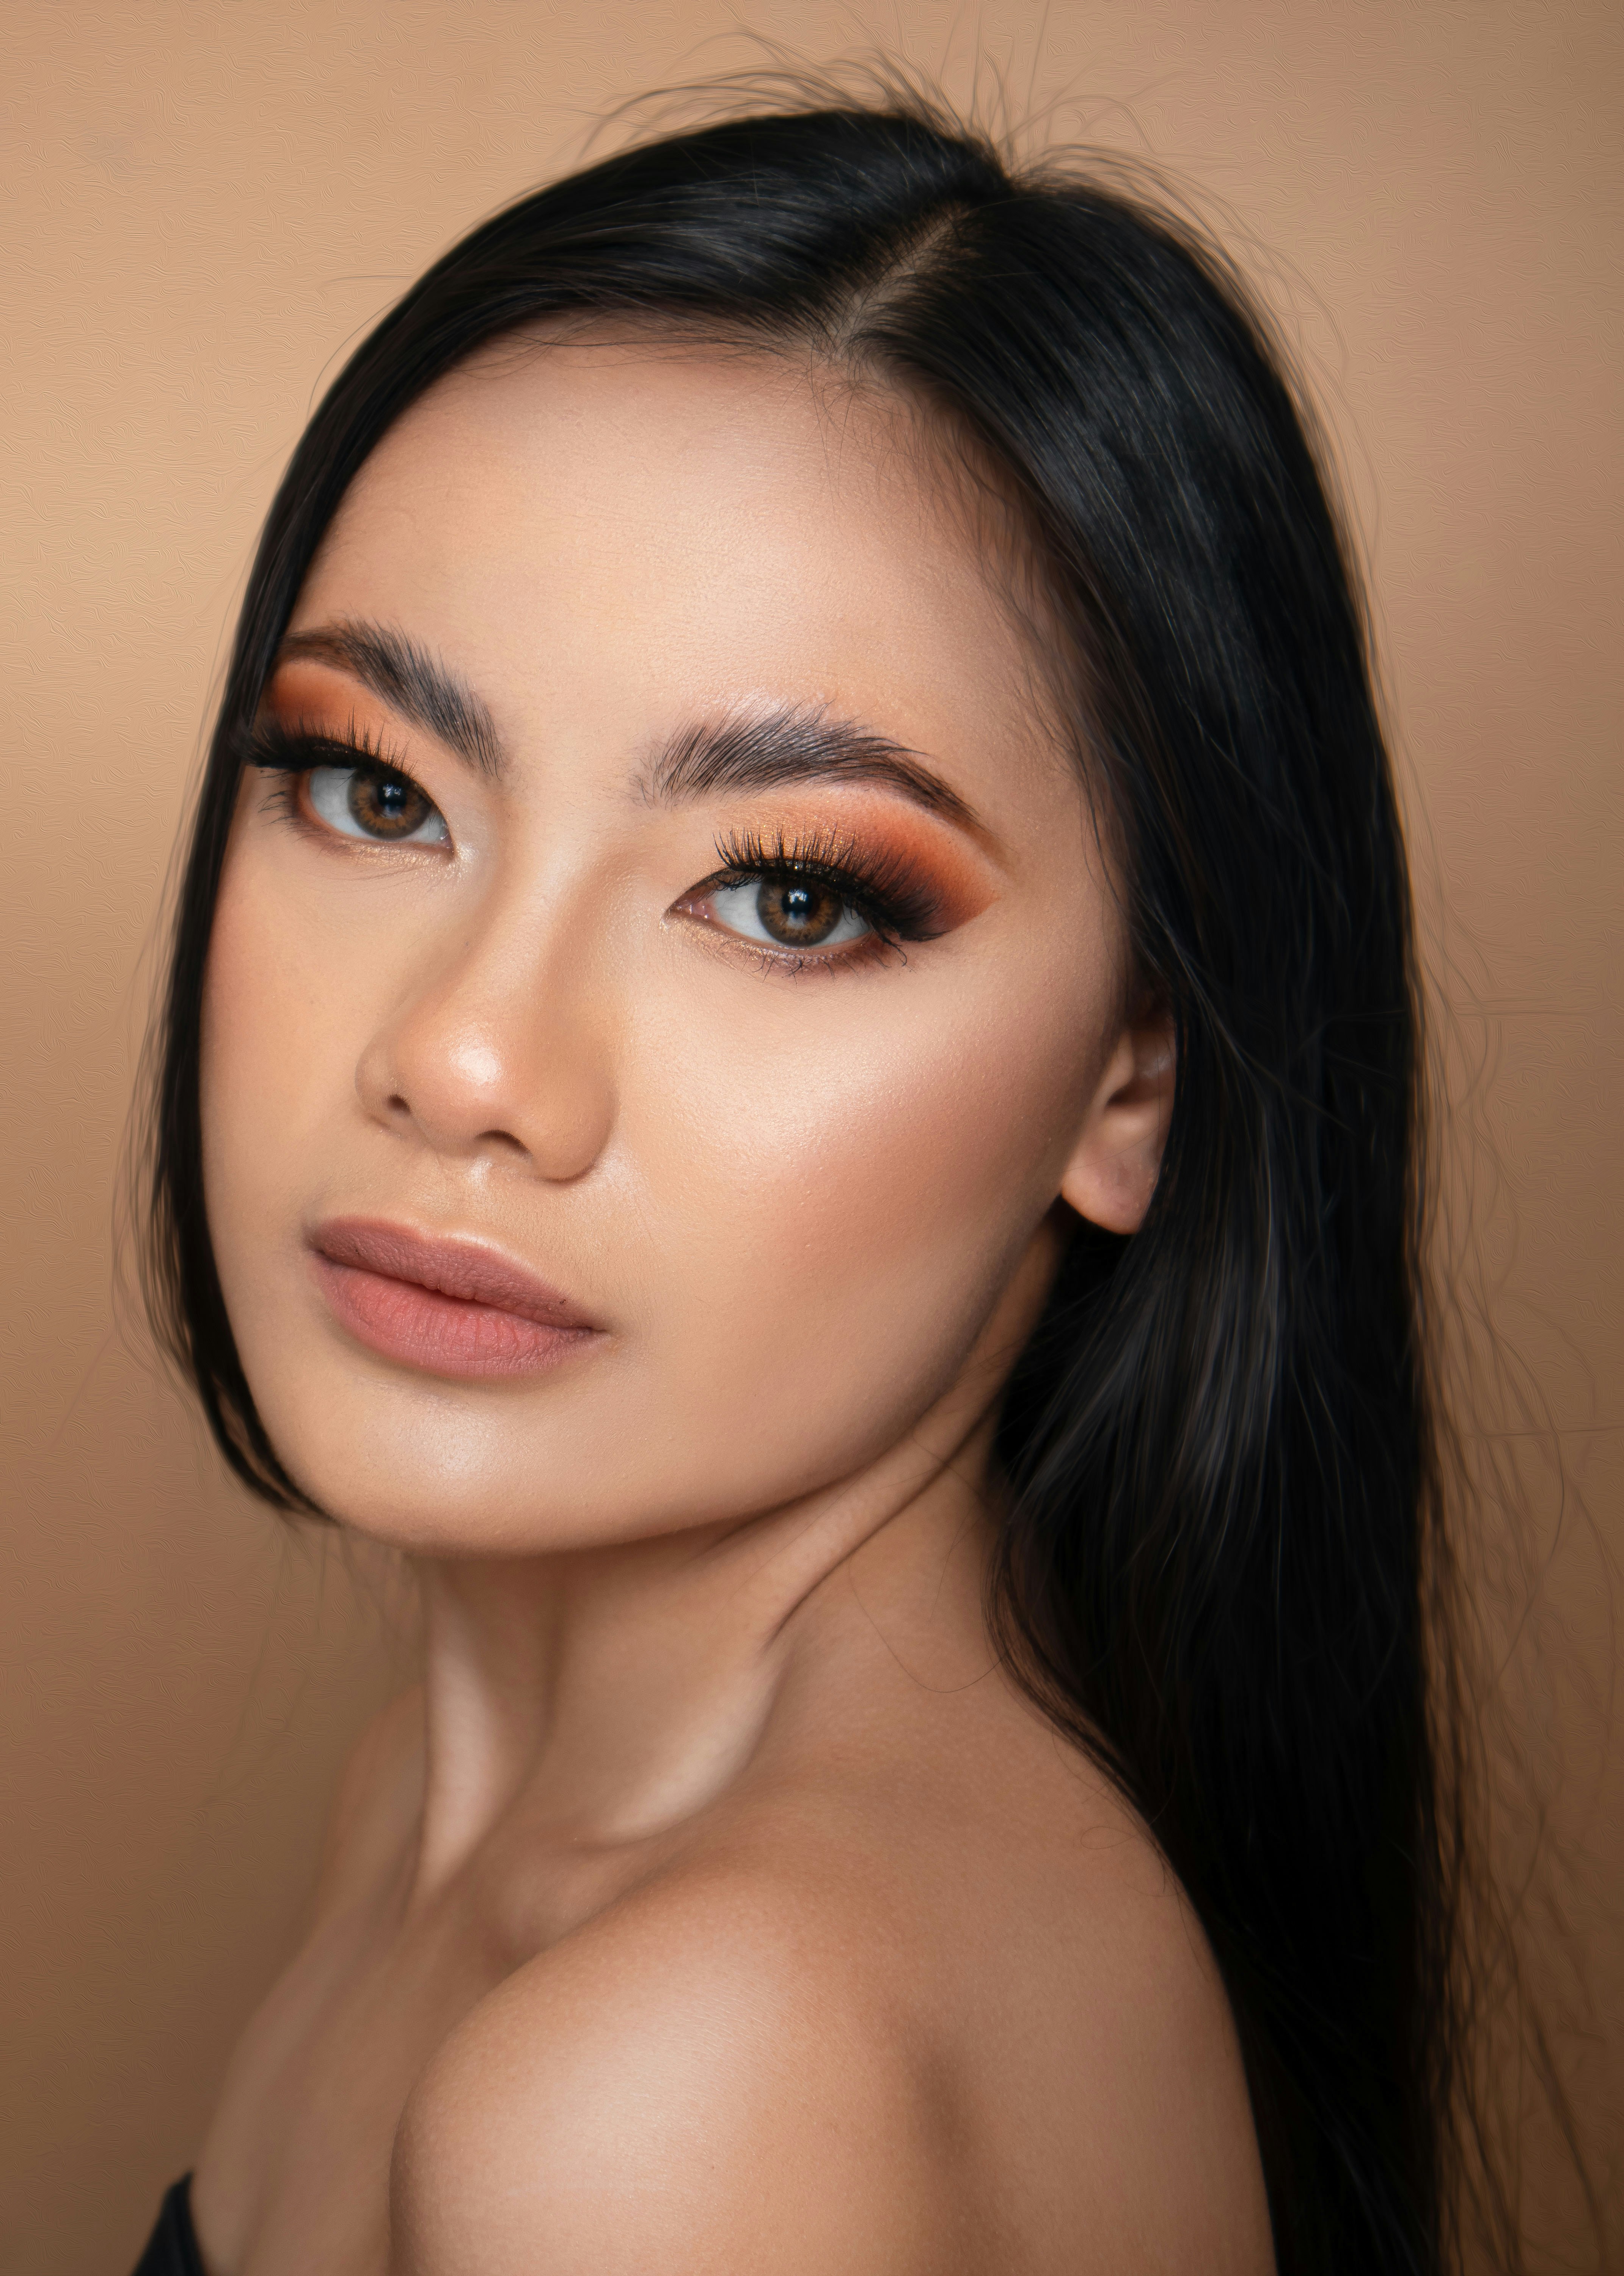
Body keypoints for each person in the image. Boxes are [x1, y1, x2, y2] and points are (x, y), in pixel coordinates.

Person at [133, 89, 1478, 2276]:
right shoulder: (451, 1819)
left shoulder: (689, 2083)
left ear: (1134, 1083)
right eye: (377, 791)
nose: (465, 1060)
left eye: (790, 899)